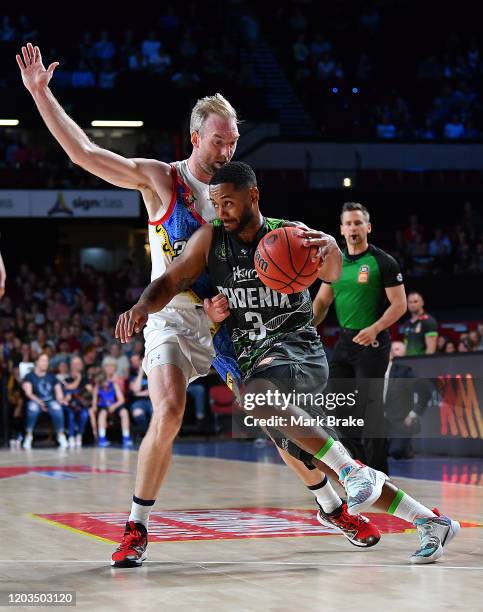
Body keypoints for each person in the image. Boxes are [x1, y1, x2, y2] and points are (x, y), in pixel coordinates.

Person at [16, 43, 373, 565]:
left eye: (233, 141)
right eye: (218, 141)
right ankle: (137, 527)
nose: (228, 151)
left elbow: (272, 254)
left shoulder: (241, 192)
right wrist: (40, 94)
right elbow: (86, 155)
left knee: (274, 420)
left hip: (228, 321)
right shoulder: (163, 179)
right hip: (172, 316)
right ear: (195, 137)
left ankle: (329, 505)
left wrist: (322, 251)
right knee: (169, 410)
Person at [117, 161, 460, 566]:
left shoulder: (291, 235)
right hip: (256, 359)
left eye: (228, 202)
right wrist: (142, 306)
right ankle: (428, 520)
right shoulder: (211, 240)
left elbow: (331, 271)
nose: (221, 210)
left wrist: (330, 247)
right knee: (310, 454)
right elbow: (172, 280)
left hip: (298, 350)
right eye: (216, 203)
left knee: (256, 401)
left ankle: (350, 474)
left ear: (253, 196)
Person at [312, 201, 407, 474]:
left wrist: (376, 328)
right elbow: (321, 302)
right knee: (338, 408)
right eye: (348, 223)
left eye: (358, 223)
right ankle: (358, 471)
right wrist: (306, 328)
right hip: (345, 342)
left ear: (368, 227)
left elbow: (399, 304)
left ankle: (381, 475)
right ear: (341, 230)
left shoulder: (383, 262)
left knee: (371, 411)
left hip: (373, 343)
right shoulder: (335, 261)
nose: (353, 228)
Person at [22, 353, 68, 449]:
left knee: (57, 408)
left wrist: (61, 399)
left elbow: (58, 391)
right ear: (37, 362)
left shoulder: (51, 376)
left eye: (46, 361)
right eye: (43, 360)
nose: (45, 363)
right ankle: (29, 435)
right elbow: (29, 393)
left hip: (50, 401)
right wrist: (40, 403)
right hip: (36, 401)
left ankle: (60, 435)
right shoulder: (29, 376)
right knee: (33, 408)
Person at [93, 357, 131, 448]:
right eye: (107, 366)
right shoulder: (100, 382)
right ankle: (102, 437)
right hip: (103, 405)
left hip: (115, 404)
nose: (109, 368)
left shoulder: (116, 382)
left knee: (124, 412)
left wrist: (114, 406)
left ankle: (126, 437)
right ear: (104, 368)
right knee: (102, 413)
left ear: (115, 368)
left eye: (112, 366)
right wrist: (94, 405)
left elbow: (121, 399)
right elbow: (95, 395)